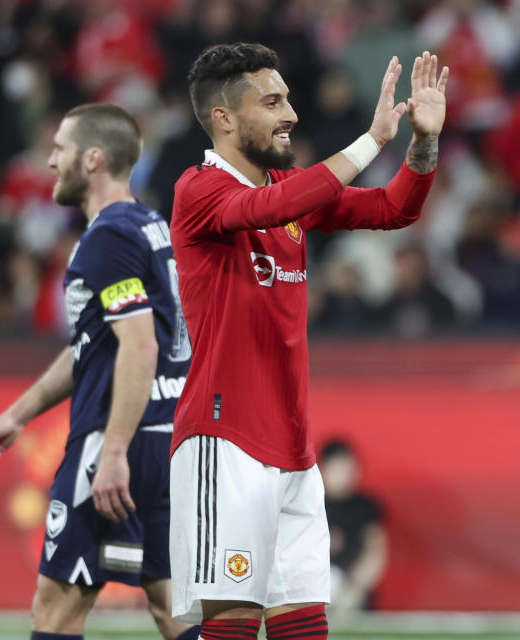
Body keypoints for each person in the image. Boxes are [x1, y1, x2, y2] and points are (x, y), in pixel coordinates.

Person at [168, 43, 448, 640]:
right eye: (272, 102)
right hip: (226, 440)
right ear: (224, 118)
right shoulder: (199, 191)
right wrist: (373, 139)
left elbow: (395, 209)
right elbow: (272, 205)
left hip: (295, 448)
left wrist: (420, 143)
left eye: (288, 97)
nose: (290, 113)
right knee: (234, 626)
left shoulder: (289, 191)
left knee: (304, 626)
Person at [0, 104, 197, 640]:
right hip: (167, 436)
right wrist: (18, 414)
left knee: (56, 610)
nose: (50, 161)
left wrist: (112, 451)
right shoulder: (150, 225)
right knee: (170, 607)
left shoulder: (108, 237)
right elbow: (98, 347)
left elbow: (138, 347)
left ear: (93, 159)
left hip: (118, 441)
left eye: (60, 149)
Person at [320, 440, 387, 613]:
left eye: (348, 467)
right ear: (323, 468)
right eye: (338, 467)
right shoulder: (308, 505)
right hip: (314, 593)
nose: (344, 473)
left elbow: (376, 550)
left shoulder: (366, 507)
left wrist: (354, 587)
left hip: (352, 594)